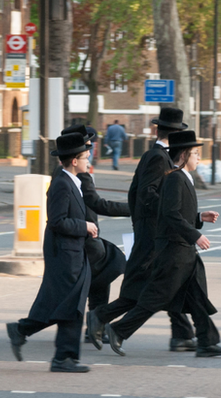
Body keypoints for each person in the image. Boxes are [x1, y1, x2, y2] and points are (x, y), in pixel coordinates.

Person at [99, 130, 221, 358]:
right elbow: (169, 214)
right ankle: (117, 329)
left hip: (183, 251)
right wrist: (194, 235)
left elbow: (179, 212)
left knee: (197, 297)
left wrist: (199, 218)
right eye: (196, 153)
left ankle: (207, 342)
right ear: (184, 154)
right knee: (156, 297)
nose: (199, 158)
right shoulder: (175, 178)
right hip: (174, 251)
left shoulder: (183, 178)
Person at [88, 108, 197, 352]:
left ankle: (182, 333)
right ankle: (101, 317)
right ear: (177, 134)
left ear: (158, 129)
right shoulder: (158, 157)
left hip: (154, 232)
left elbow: (140, 194)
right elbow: (148, 194)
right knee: (151, 285)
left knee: (165, 283)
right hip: (153, 235)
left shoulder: (159, 156)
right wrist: (165, 215)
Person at [6, 132, 98, 372]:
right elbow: (56, 221)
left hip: (73, 251)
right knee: (70, 305)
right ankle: (63, 358)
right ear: (75, 161)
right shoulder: (61, 184)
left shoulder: (72, 182)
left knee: (67, 303)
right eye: (86, 157)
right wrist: (85, 226)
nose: (89, 160)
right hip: (64, 253)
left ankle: (24, 331)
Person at [60, 124, 129, 320]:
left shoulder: (70, 173)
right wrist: (133, 209)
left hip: (82, 238)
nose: (89, 150)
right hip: (84, 239)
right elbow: (99, 204)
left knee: (97, 279)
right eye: (87, 145)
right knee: (109, 267)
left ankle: (93, 321)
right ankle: (94, 321)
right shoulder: (78, 174)